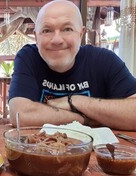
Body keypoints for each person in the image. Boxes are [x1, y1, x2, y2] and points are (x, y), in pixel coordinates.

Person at [8, 0, 136, 131]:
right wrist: (86, 119)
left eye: (67, 29)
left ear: (81, 34)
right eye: (47, 30)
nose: (57, 40)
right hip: (40, 149)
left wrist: (75, 101)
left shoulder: (104, 60)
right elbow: (20, 116)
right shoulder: (28, 57)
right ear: (36, 37)